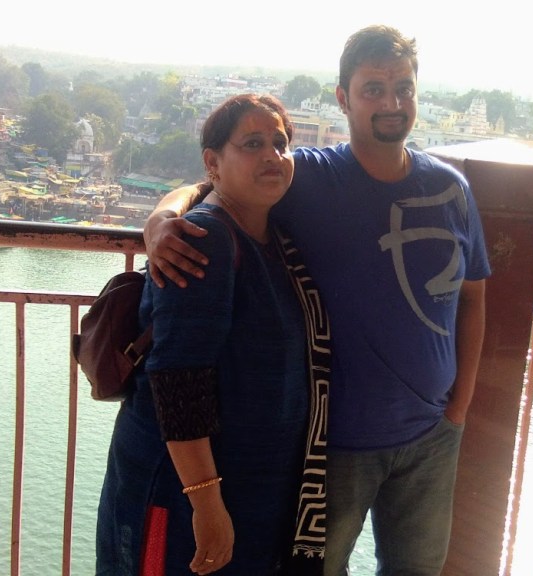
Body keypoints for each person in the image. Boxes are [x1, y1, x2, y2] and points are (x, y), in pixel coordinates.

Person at [143, 25, 490, 576]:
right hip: (337, 444)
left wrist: (458, 406)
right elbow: (214, 185)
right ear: (343, 99)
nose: (391, 102)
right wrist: (162, 220)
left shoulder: (452, 189)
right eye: (373, 88)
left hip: (432, 437)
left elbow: (473, 298)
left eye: (403, 87)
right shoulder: (309, 176)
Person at [96, 93, 329, 576]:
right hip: (183, 493)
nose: (272, 155)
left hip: (248, 488)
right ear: (213, 162)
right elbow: (178, 380)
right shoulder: (206, 240)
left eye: (280, 143)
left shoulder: (271, 236)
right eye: (252, 143)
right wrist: (206, 504)